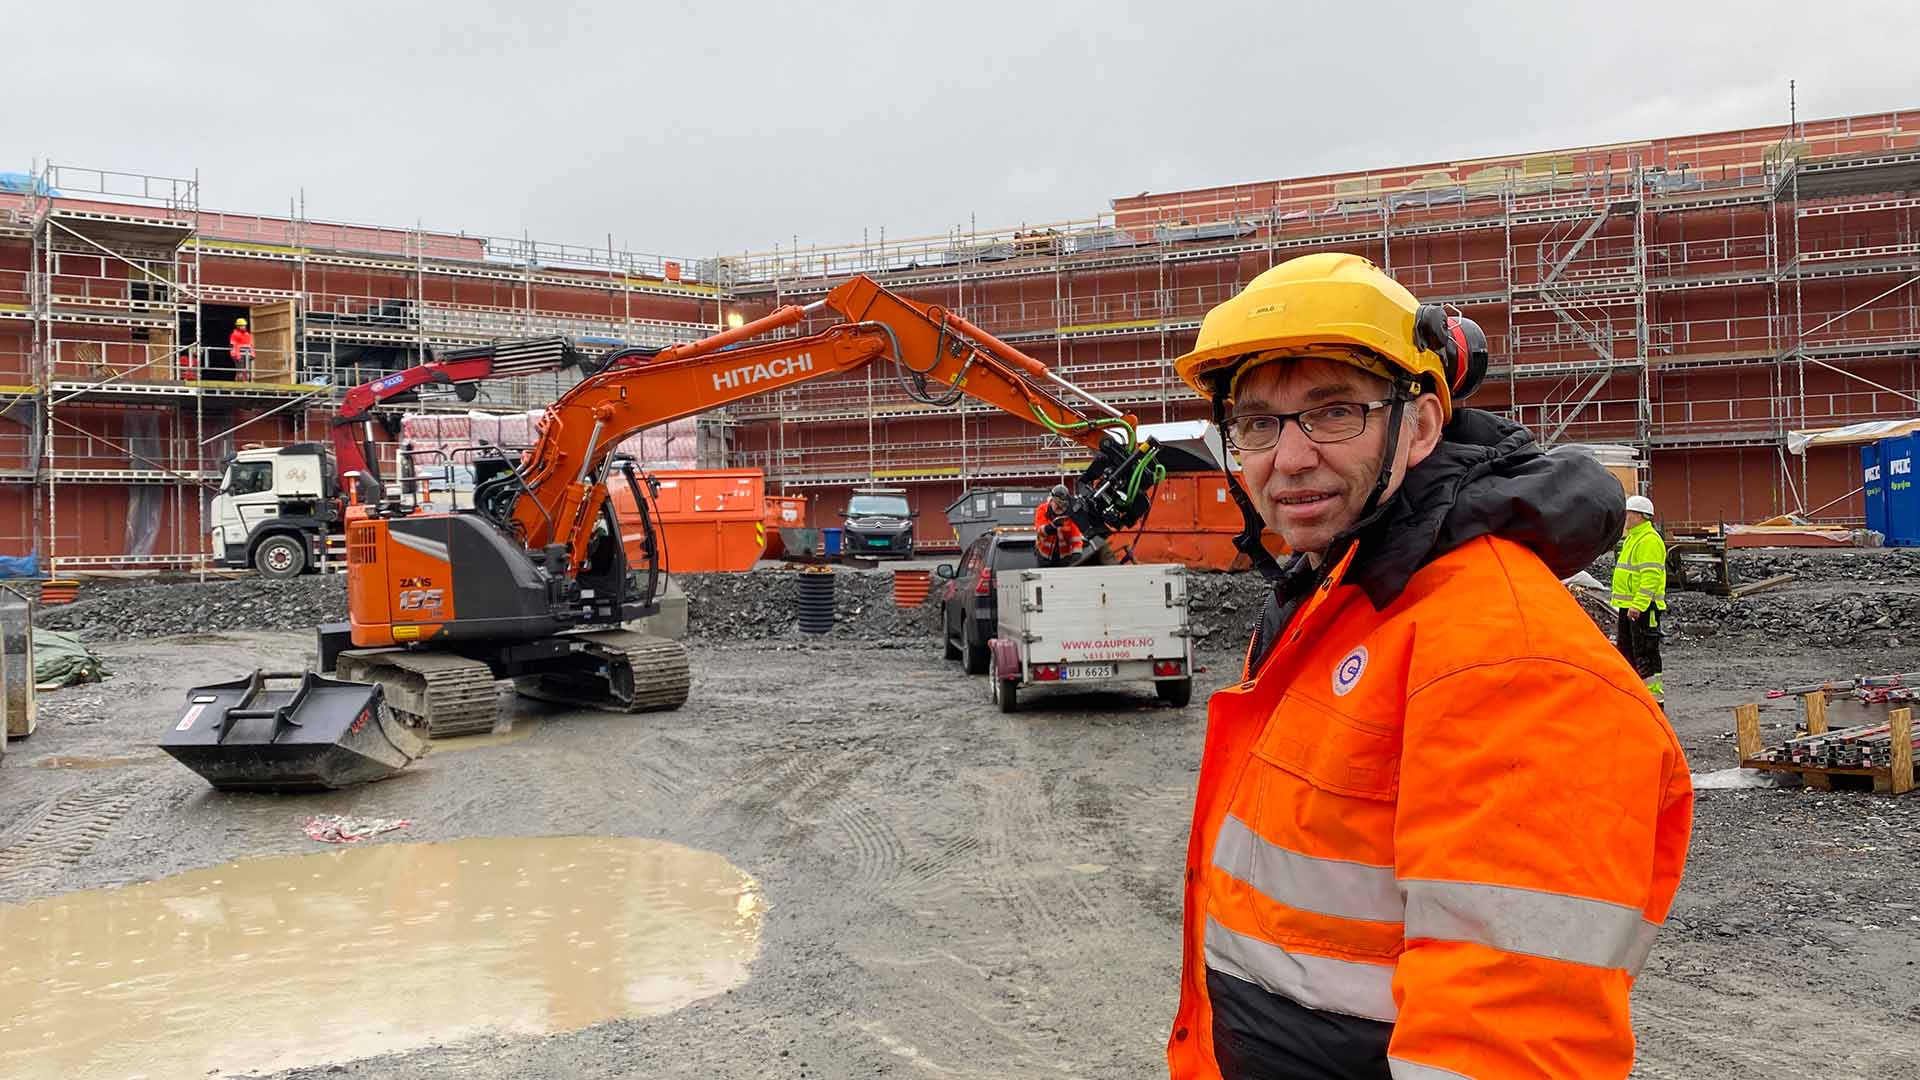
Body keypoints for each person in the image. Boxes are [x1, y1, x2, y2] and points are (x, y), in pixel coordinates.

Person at [1164, 252, 1694, 1080]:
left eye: (1333, 412)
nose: (1288, 459)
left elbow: (1508, 1044)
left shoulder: (1507, 655)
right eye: (1259, 422)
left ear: (1419, 425)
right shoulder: (1342, 596)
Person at [1612, 493, 1669, 703]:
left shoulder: (1649, 541)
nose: (1625, 518)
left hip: (1644, 608)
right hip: (1629, 606)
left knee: (1645, 653)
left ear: (1640, 516)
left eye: (1629, 514)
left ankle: (1654, 700)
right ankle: (1635, 697)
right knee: (1627, 652)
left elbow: (1651, 577)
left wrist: (1638, 605)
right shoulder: (1633, 539)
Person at [1034, 483, 1084, 564]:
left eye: (1062, 506)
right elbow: (1040, 531)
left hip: (1064, 558)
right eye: (1057, 505)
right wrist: (1052, 526)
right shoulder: (1042, 509)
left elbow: (1076, 536)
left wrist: (1077, 553)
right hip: (1044, 556)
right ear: (1052, 500)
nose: (1060, 509)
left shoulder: (1070, 513)